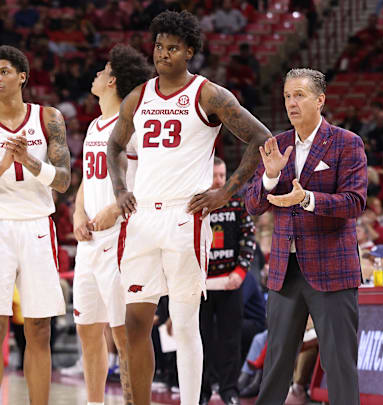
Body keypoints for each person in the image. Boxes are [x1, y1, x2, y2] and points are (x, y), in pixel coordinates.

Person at [106, 11, 271, 405]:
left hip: (186, 216)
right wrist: (118, 190)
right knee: (135, 324)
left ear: (189, 53)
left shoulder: (208, 94)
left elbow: (260, 138)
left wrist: (225, 193)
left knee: (184, 324)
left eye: (173, 48)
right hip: (143, 214)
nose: (163, 54)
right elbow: (115, 145)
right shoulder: (139, 96)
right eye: (159, 46)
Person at [0, 45, 71, 405]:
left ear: (22, 76)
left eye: (4, 71)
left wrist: (30, 163)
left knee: (39, 328)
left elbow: (64, 181)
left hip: (37, 225)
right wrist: (4, 163)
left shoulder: (48, 117)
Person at [245, 68, 367, 405]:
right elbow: (253, 205)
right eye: (287, 96)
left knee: (340, 365)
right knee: (275, 365)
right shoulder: (277, 145)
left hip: (332, 269)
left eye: (299, 95)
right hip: (285, 271)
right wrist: (269, 178)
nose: (291, 102)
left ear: (320, 100)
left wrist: (307, 198)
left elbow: (354, 203)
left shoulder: (347, 142)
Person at [72, 44, 151, 405]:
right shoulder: (93, 125)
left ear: (113, 80)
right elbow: (89, 179)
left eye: (102, 70)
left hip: (120, 239)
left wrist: (115, 210)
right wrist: (77, 213)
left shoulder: (132, 128)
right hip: (88, 241)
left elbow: (146, 182)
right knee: (88, 330)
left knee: (123, 336)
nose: (96, 75)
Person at [200, 158, 256, 405]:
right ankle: (200, 392)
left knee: (230, 340)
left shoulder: (237, 201)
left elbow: (249, 238)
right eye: (215, 175)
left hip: (230, 282)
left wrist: (240, 273)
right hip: (199, 286)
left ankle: (229, 390)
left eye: (223, 175)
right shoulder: (195, 201)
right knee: (199, 340)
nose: (219, 180)